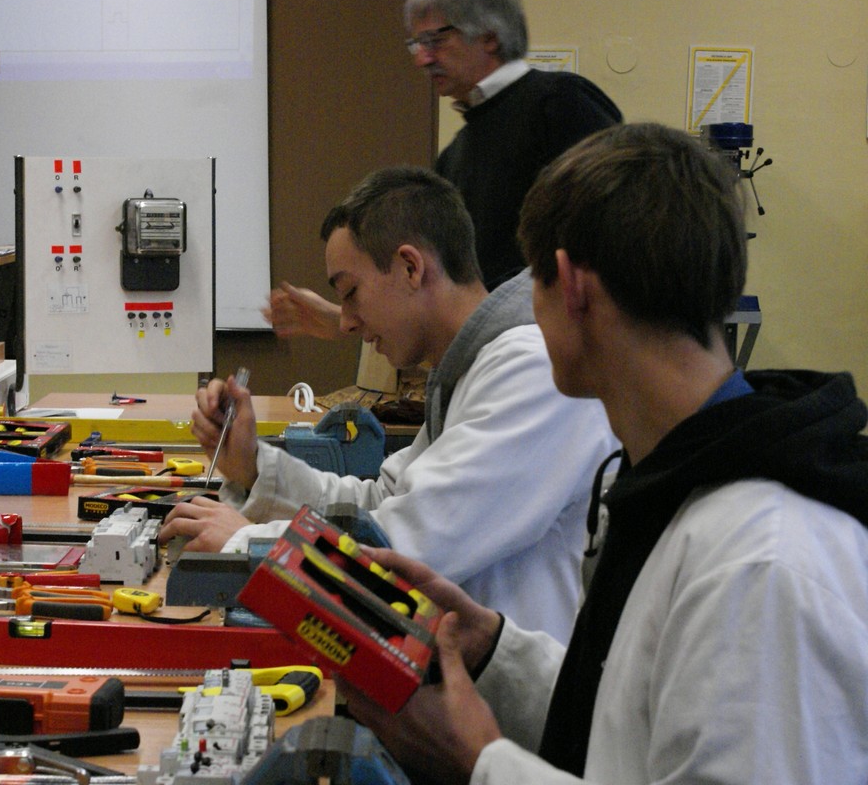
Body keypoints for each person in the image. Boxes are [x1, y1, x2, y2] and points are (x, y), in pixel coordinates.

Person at [342, 123, 868, 783]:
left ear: (570, 286)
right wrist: (494, 650)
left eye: (531, 283)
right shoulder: (677, 482)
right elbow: (639, 722)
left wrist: (480, 762)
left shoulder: (759, 565)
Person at [161, 166, 618, 643]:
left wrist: (244, 543)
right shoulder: (469, 370)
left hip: (511, 689)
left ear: (410, 267)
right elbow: (380, 505)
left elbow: (408, 547)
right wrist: (253, 466)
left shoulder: (529, 371)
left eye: (350, 293)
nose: (345, 322)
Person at [261, 0, 622, 339]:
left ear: (490, 36)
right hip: (494, 352)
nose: (422, 59)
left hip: (553, 357)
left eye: (435, 40)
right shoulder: (454, 156)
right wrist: (343, 316)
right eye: (417, 44)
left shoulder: (562, 103)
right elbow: (444, 292)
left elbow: (607, 244)